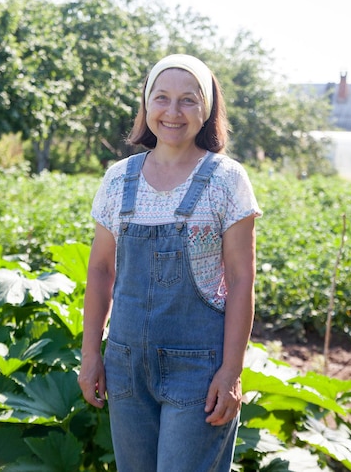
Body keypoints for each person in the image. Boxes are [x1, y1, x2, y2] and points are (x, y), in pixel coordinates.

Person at [78, 54, 262, 472]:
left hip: (198, 371)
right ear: (146, 106)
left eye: (188, 100)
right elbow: (101, 271)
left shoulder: (226, 179)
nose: (173, 112)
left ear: (207, 108)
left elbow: (240, 279)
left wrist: (231, 373)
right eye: (161, 98)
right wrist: (91, 354)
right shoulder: (118, 179)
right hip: (125, 366)